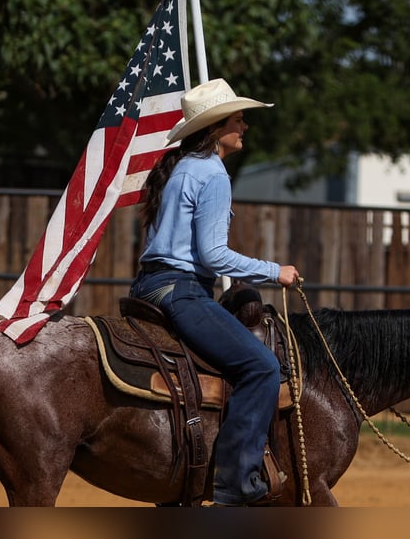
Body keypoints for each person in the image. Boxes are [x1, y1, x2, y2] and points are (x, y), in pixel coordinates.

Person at [129, 78, 300, 506]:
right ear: (216, 127)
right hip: (181, 290)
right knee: (261, 367)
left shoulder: (181, 168)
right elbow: (214, 256)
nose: (244, 128)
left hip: (150, 285)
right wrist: (273, 271)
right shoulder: (212, 174)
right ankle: (236, 483)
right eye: (238, 120)